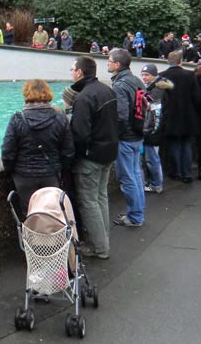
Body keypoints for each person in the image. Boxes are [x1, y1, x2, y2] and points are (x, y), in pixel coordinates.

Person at [69, 56, 118, 259]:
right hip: (108, 153)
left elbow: (80, 134)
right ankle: (102, 240)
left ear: (79, 72)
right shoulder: (107, 90)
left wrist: (76, 156)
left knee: (89, 201)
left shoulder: (83, 97)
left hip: (91, 157)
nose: (71, 72)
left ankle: (100, 247)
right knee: (100, 198)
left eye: (72, 69)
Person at [1, 79, 74, 213]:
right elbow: (68, 151)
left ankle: (30, 234)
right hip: (51, 174)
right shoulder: (60, 118)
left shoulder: (17, 119)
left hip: (24, 176)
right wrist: (60, 169)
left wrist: (11, 170)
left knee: (30, 213)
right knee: (53, 213)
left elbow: (7, 151)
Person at [107, 48, 146, 227]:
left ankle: (135, 217)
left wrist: (115, 136)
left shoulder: (120, 85)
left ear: (117, 64)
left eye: (109, 60)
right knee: (136, 175)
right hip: (137, 136)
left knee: (127, 178)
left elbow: (121, 116)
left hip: (126, 139)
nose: (107, 63)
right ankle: (137, 212)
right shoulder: (137, 80)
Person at [160, 51, 201, 182]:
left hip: (170, 115)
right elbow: (197, 98)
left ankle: (175, 172)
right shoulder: (190, 75)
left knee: (174, 144)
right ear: (180, 61)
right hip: (187, 115)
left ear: (168, 61)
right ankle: (187, 173)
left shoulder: (162, 76)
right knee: (187, 144)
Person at [139, 64, 173, 194]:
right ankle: (155, 183)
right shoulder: (159, 85)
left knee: (152, 158)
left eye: (147, 75)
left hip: (154, 129)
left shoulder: (158, 88)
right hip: (157, 127)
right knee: (152, 157)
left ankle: (156, 184)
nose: (144, 77)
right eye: (142, 74)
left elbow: (151, 107)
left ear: (154, 75)